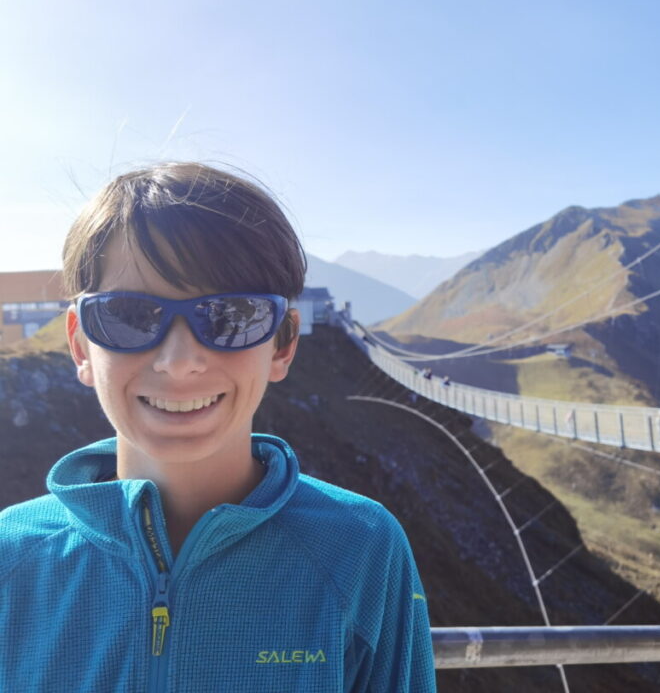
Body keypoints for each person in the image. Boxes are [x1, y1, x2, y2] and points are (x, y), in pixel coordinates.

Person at [0, 163, 436, 692]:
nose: (179, 361)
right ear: (79, 344)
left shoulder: (361, 550)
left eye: (232, 316)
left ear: (284, 344)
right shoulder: (11, 559)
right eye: (130, 316)